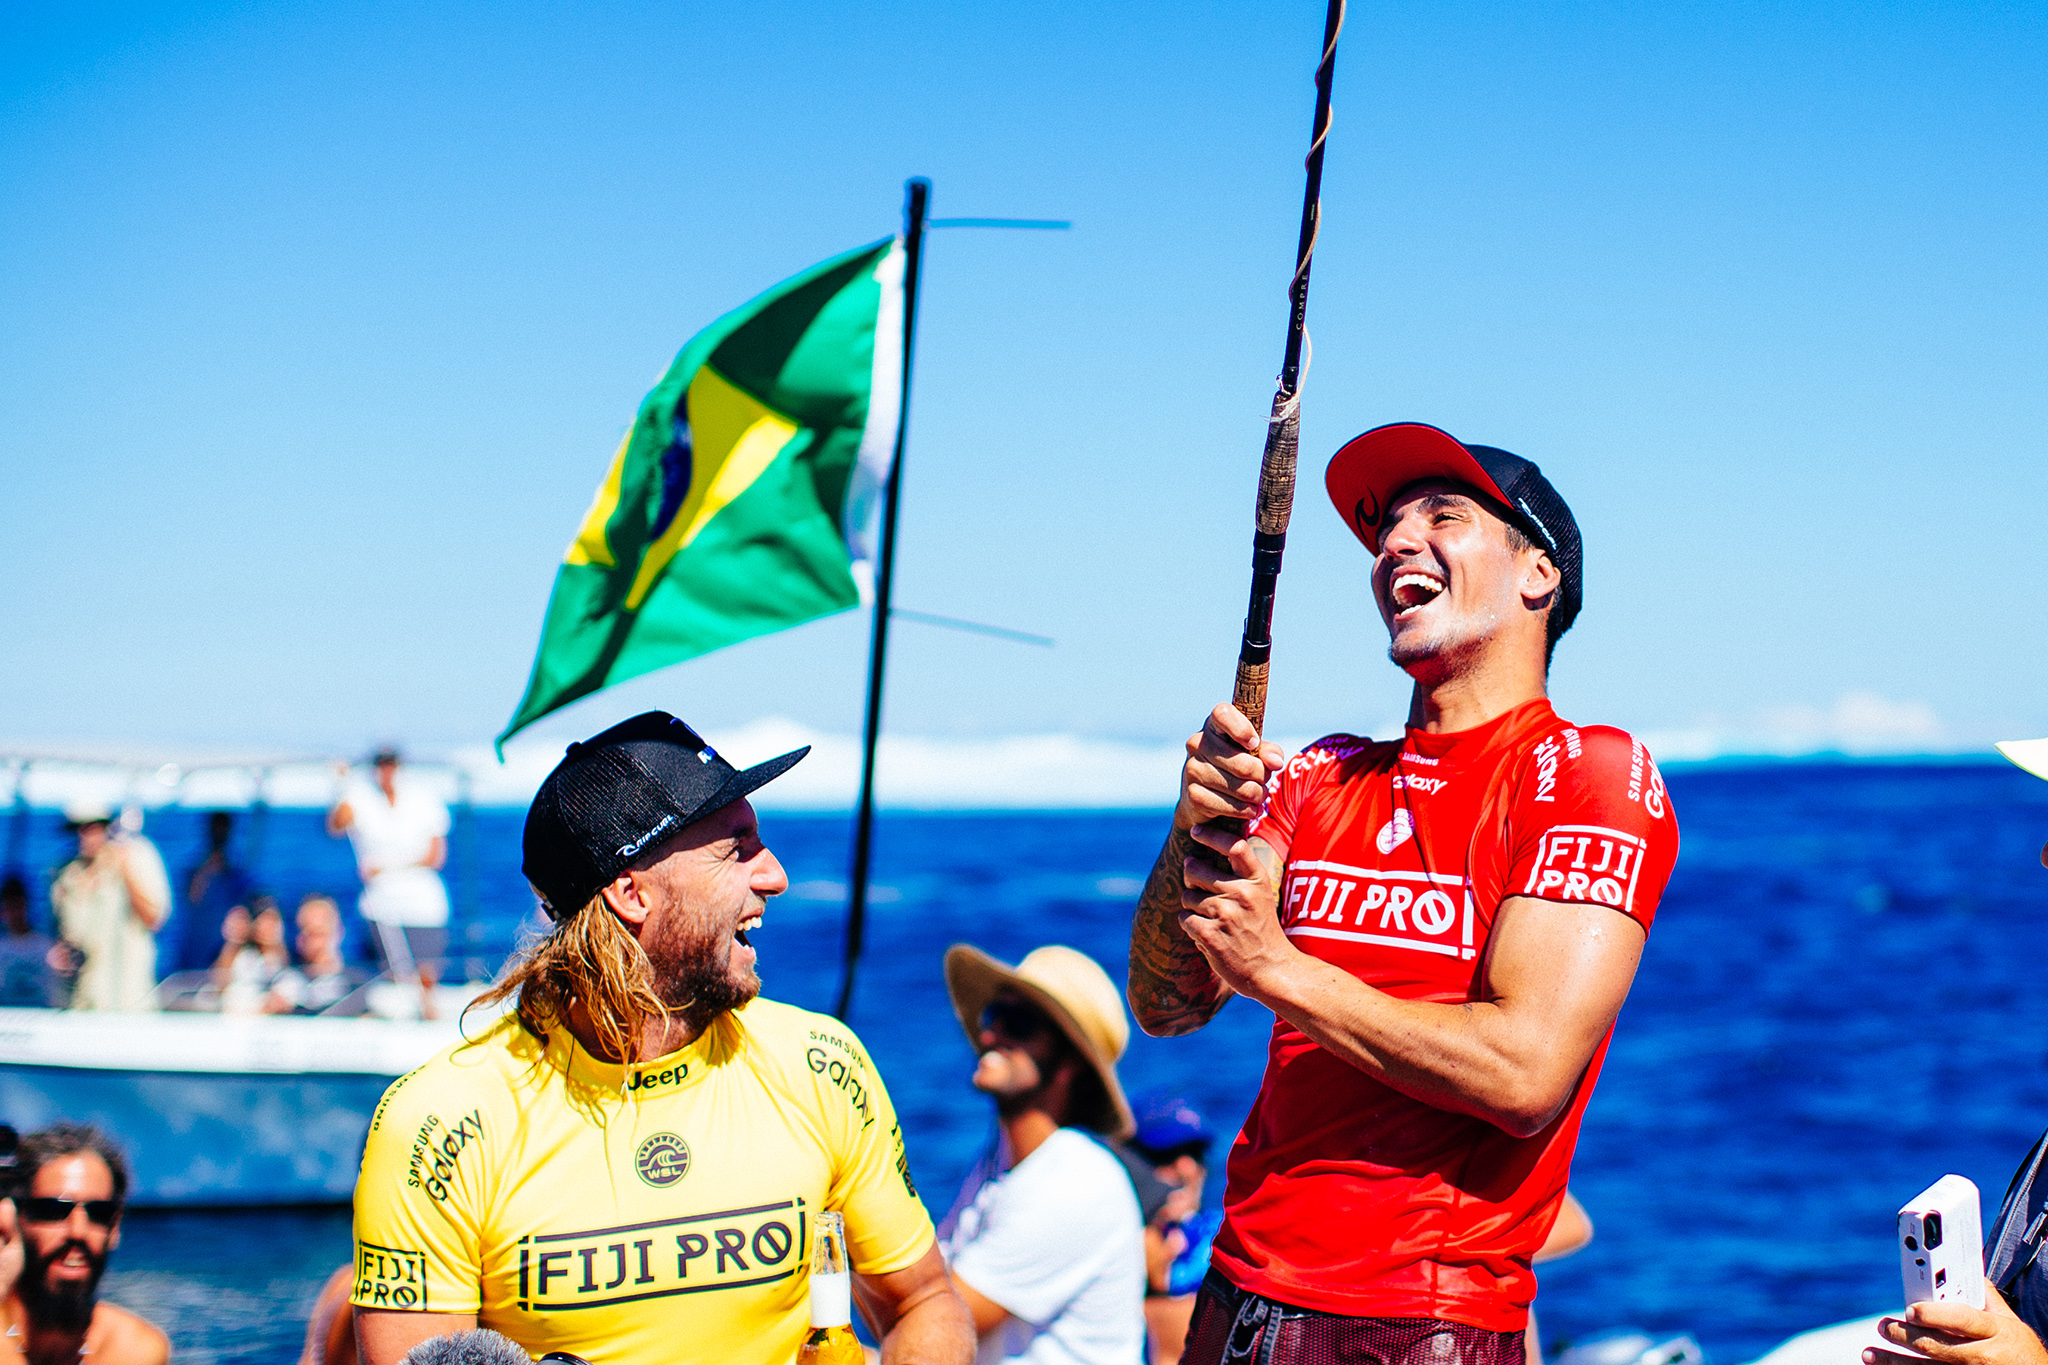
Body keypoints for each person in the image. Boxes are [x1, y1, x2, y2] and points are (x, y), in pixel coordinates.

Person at [1127, 422, 1681, 1365]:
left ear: (1537, 573)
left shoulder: (1589, 771)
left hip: (1419, 1327)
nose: (1392, 544)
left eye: (1443, 516)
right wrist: (1195, 828)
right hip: (1234, 1297)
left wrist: (1280, 968)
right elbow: (1167, 1003)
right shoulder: (1322, 771)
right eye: (1384, 528)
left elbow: (1523, 1072)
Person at [349, 711, 971, 1365]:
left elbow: (920, 1301)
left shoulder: (820, 1064)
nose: (776, 875)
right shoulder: (442, 1120)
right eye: (738, 849)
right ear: (631, 893)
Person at [937, 944, 1146, 1365]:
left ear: (1070, 1063)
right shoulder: (1001, 1162)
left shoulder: (1076, 1180)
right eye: (993, 1016)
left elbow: (940, 1321)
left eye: (1019, 1023)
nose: (991, 1036)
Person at [1, 1122, 169, 1365]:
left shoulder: (134, 1350)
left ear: (115, 1227)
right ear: (14, 1219)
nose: (78, 1232)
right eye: (53, 1210)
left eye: (98, 1212)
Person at [326, 747, 450, 1017]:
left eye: (390, 764)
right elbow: (336, 825)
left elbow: (435, 855)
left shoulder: (423, 797)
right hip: (381, 903)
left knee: (426, 974)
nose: (386, 771)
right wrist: (340, 786)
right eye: (381, 764)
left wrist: (387, 866)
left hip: (422, 903)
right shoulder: (360, 796)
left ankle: (427, 1019)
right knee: (390, 974)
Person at [1124, 1096, 1221, 1365]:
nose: (1185, 1169)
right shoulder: (1108, 1243)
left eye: (1196, 1154)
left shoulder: (1230, 1239)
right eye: (1165, 1155)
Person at [49, 804, 170, 1012]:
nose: (84, 835)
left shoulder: (137, 855)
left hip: (129, 1001)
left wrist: (126, 871)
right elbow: (60, 937)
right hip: (82, 1000)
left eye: (92, 827)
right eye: (78, 828)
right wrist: (58, 957)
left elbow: (154, 919)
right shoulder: (64, 875)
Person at [175, 811, 251, 974]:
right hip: (196, 948)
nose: (220, 832)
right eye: (217, 828)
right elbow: (192, 899)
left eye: (223, 828)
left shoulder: (235, 874)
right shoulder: (196, 871)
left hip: (222, 948)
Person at [270, 895, 364, 1015]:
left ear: (337, 931)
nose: (309, 940)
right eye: (303, 930)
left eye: (317, 933)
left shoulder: (358, 982)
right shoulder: (286, 980)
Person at [210, 897, 291, 1014]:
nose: (268, 928)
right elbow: (221, 984)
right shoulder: (246, 956)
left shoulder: (291, 957)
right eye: (263, 922)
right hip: (240, 1013)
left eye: (273, 922)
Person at [0, 878, 60, 1008]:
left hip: (41, 1020)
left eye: (17, 906)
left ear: (25, 905)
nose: (14, 914)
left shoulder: (46, 946)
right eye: (9, 907)